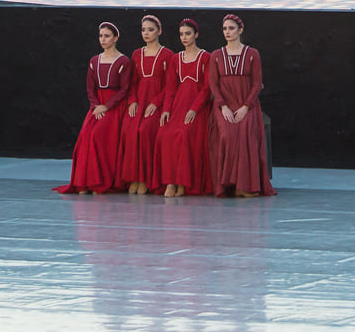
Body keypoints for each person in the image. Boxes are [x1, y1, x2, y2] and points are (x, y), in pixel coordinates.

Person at [54, 23, 130, 194]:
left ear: (115, 38)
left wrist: (106, 106)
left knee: (98, 135)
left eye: (107, 36)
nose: (103, 39)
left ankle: (99, 182)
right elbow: (90, 87)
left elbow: (125, 89)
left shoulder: (123, 61)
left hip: (114, 106)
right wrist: (96, 105)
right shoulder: (94, 61)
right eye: (101, 36)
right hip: (97, 106)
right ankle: (83, 182)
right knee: (84, 136)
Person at [210, 13, 274, 197]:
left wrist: (246, 106)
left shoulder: (252, 54)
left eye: (231, 28)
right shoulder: (216, 55)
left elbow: (257, 83)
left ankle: (243, 186)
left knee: (246, 133)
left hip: (247, 104)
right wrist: (223, 106)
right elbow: (213, 83)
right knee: (228, 134)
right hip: (225, 105)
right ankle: (227, 184)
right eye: (224, 29)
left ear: (240, 30)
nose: (227, 32)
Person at [159, 18, 215, 197]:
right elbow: (169, 88)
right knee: (165, 134)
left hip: (197, 107)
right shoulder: (176, 58)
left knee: (185, 134)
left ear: (196, 34)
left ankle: (183, 182)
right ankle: (171, 182)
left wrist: (194, 109)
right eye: (181, 34)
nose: (184, 37)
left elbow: (207, 88)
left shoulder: (206, 57)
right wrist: (166, 110)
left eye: (188, 33)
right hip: (178, 106)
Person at [117, 14, 171, 194]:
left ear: (159, 31)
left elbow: (170, 85)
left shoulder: (167, 55)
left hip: (155, 103)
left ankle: (147, 179)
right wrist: (132, 101)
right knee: (129, 130)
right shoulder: (136, 54)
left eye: (150, 30)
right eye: (143, 30)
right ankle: (134, 177)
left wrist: (156, 103)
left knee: (145, 131)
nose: (146, 33)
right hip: (139, 101)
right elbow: (131, 82)